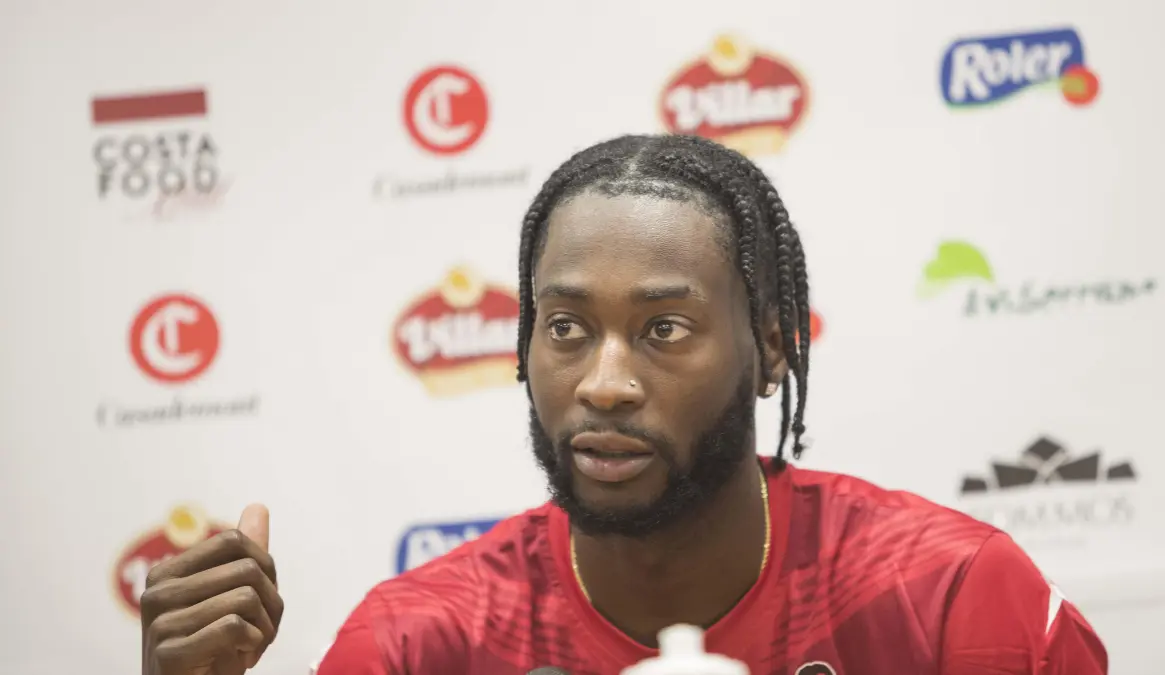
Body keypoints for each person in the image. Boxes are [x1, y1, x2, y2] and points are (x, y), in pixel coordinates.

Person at [140, 134, 1109, 675]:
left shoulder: (947, 595)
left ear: (772, 348)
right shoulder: (420, 642)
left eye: (664, 328)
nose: (604, 382)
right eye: (566, 326)